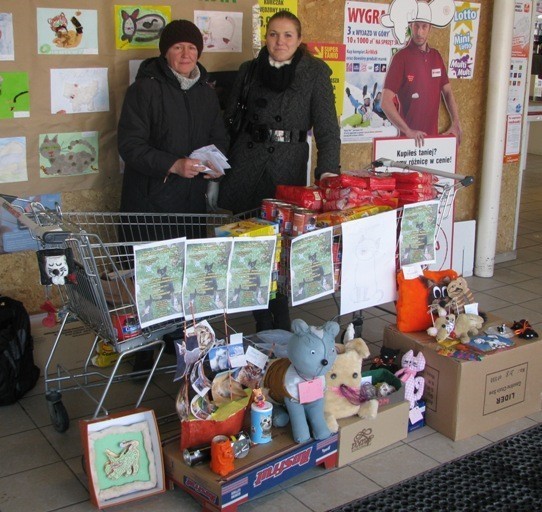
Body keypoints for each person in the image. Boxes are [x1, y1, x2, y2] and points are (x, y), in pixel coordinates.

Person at [217, 10, 341, 332]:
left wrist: (327, 172)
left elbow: (327, 129)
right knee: (249, 240)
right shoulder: (249, 71)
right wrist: (216, 165)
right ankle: (261, 316)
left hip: (288, 168)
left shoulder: (315, 73)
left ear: (299, 40)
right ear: (266, 38)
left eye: (287, 35)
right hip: (246, 165)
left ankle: (281, 313)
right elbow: (229, 122)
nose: (280, 41)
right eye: (273, 34)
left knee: (282, 243)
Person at [117, 19, 226, 371]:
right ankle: (142, 352)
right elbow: (130, 147)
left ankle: (175, 342)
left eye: (192, 49)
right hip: (150, 201)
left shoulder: (206, 92)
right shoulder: (144, 90)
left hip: (190, 202)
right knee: (151, 280)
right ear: (165, 52)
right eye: (178, 47)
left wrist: (216, 162)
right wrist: (173, 164)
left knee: (184, 277)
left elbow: (218, 137)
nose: (186, 54)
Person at [381, 19, 461, 148]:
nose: (419, 32)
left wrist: (456, 123)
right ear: (410, 27)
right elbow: (385, 102)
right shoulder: (401, 58)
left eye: (424, 27)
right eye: (416, 26)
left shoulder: (436, 57)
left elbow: (448, 92)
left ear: (430, 28)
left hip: (431, 142)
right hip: (408, 144)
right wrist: (408, 131)